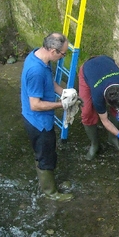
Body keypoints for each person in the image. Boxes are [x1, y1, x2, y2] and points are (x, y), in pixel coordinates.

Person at [21, 32, 74, 201]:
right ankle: (50, 192)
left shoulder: (38, 56)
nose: (63, 57)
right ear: (53, 51)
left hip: (40, 120)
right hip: (38, 123)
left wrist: (64, 93)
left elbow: (49, 82)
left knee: (45, 152)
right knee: (46, 155)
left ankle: (47, 182)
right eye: (63, 54)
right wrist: (62, 104)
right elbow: (35, 105)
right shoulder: (36, 71)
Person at [78, 55, 119, 160]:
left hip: (106, 61)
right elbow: (104, 121)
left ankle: (112, 138)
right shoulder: (97, 95)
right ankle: (94, 144)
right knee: (86, 112)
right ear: (105, 100)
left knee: (118, 108)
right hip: (88, 70)